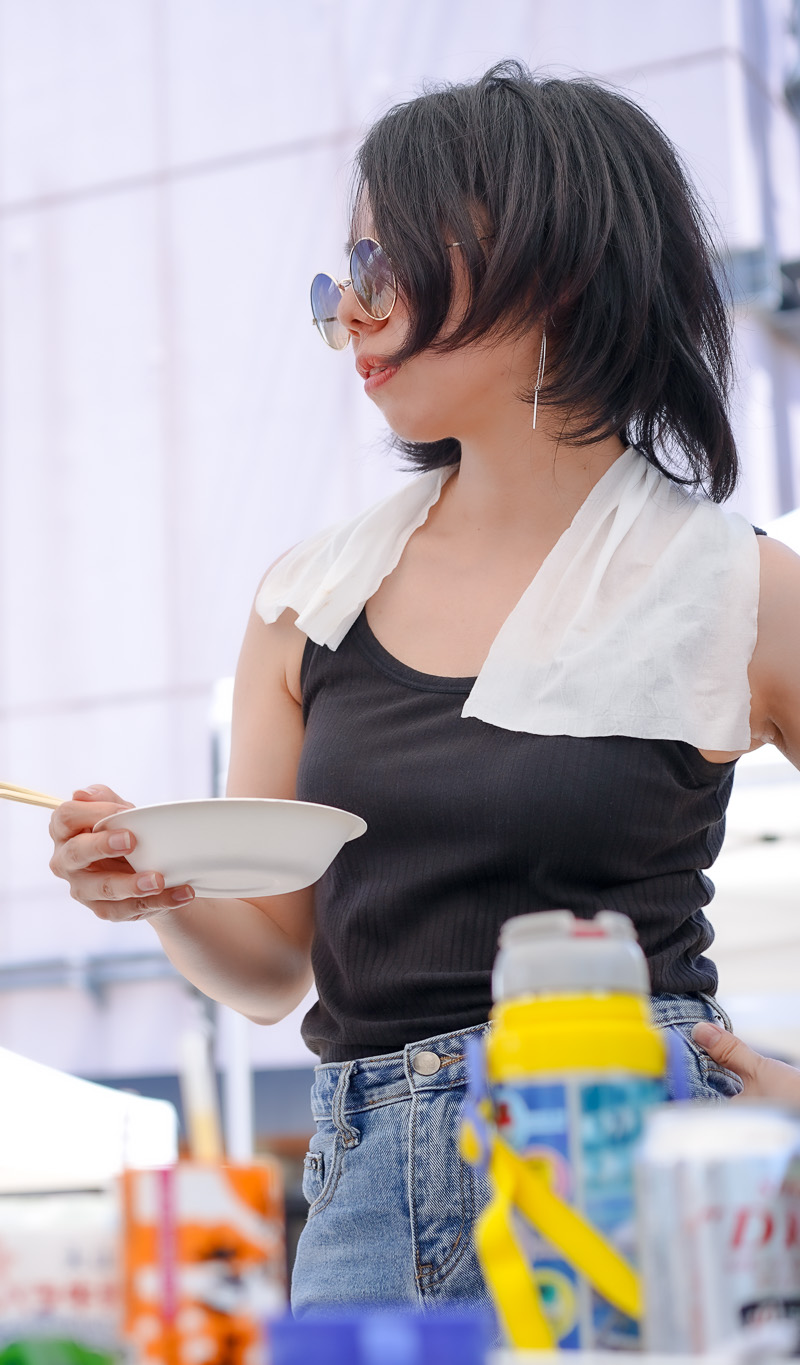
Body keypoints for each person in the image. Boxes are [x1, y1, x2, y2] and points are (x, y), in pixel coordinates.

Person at [47, 62, 800, 1310]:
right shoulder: (306, 601)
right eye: (340, 275)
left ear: (556, 266)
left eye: (382, 263)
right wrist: (154, 886)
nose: (348, 309)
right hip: (364, 1204)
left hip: (631, 1182)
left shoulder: (738, 587)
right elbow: (271, 967)